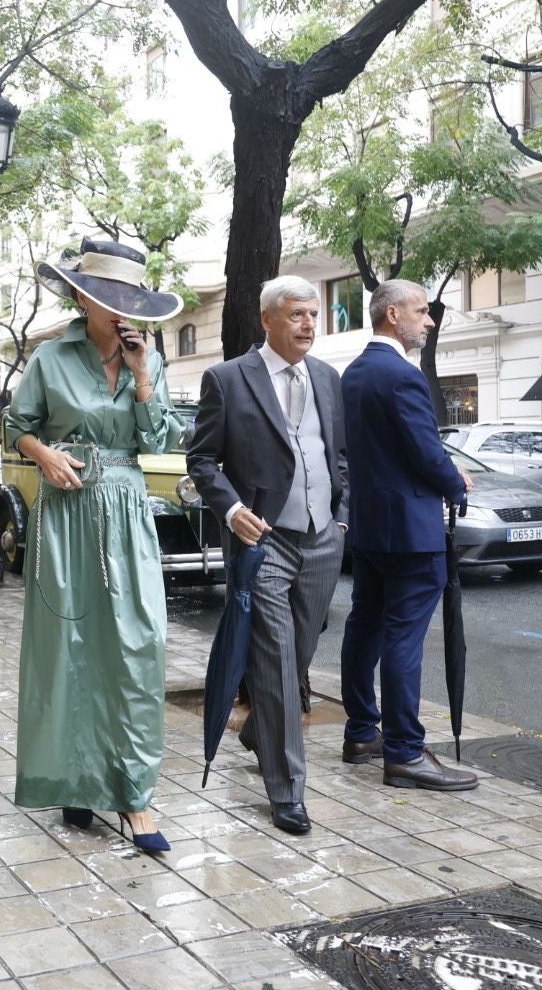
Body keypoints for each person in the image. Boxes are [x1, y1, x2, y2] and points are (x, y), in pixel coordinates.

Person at [6, 238, 186, 853]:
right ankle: (76, 783)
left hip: (127, 513)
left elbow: (158, 438)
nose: (120, 310)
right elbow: (16, 428)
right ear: (83, 299)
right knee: (69, 648)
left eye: (129, 299)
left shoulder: (150, 360)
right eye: (108, 297)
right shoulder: (49, 359)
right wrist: (45, 453)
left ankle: (137, 797)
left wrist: (141, 376)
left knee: (137, 647)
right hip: (64, 516)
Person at [187, 276, 350, 835]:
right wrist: (232, 512)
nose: (309, 323)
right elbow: (202, 460)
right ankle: (286, 790)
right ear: (267, 319)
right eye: (297, 314)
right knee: (277, 661)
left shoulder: (328, 378)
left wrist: (342, 515)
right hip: (265, 539)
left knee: (300, 651)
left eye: (313, 314)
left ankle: (260, 729)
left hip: (324, 536)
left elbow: (337, 454)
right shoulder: (228, 380)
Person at [340, 280, 477, 793]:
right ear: (392, 314)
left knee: (366, 625)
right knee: (402, 638)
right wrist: (454, 481)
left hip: (372, 525)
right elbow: (423, 450)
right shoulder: (402, 375)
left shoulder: (353, 373)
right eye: (422, 311)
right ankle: (402, 752)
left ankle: (361, 733)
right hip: (413, 531)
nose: (430, 320)